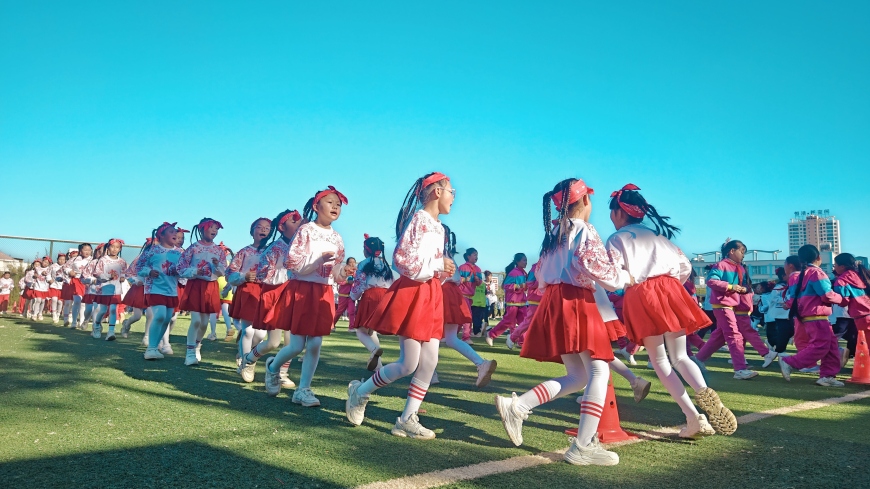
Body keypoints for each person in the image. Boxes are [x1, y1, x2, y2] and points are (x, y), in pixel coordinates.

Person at [495, 178, 631, 466]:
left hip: (555, 300)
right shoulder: (583, 229)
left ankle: (519, 406)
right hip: (577, 300)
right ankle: (582, 446)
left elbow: (541, 275)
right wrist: (622, 277)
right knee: (598, 371)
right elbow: (596, 267)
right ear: (585, 200)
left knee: (578, 376)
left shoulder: (555, 233)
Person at [605, 183, 735, 438]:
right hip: (671, 289)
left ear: (619, 213)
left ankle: (693, 416)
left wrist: (626, 283)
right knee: (681, 356)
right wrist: (670, 284)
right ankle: (703, 390)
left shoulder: (617, 239)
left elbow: (613, 275)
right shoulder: (660, 237)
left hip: (641, 293)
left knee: (660, 360)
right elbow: (685, 266)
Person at [346, 172, 455, 439]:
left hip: (430, 293)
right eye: (451, 192)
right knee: (408, 364)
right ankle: (360, 392)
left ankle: (407, 419)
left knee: (430, 361)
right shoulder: (419, 219)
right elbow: (402, 259)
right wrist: (438, 264)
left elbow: (429, 264)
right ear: (437, 192)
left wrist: (443, 270)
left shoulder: (439, 227)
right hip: (414, 292)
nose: (453, 197)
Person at [262, 187, 346, 407]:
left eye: (338, 204)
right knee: (297, 345)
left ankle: (303, 389)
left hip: (323, 292)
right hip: (302, 289)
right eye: (330, 202)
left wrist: (343, 272)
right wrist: (318, 261)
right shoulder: (305, 230)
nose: (335, 207)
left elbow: (336, 272)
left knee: (316, 343)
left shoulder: (337, 238)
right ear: (316, 207)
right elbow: (293, 263)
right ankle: (273, 367)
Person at [692, 240, 778, 379]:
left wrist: (743, 289)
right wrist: (731, 287)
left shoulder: (739, 268)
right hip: (722, 305)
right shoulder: (721, 265)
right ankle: (740, 369)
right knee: (734, 335)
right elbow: (711, 281)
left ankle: (698, 359)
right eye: (742, 251)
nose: (743, 255)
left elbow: (742, 286)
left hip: (731, 305)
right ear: (732, 251)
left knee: (720, 336)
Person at [238, 210, 303, 385]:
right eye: (294, 221)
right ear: (282, 227)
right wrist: (288, 273)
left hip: (293, 295)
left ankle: (281, 373)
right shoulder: (274, 248)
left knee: (292, 343)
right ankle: (249, 359)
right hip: (276, 295)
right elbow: (264, 275)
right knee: (273, 342)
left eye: (299, 221)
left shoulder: (300, 245)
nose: (299, 223)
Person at [441, 224, 498, 387]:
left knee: (428, 338)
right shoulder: (452, 259)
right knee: (449, 337)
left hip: (444, 293)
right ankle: (480, 362)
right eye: (474, 255)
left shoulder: (440, 253)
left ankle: (427, 374)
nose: (476, 257)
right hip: (453, 293)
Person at [779, 245, 844, 386]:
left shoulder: (799, 275)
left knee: (831, 346)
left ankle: (827, 375)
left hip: (807, 315)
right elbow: (827, 295)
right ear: (818, 257)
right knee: (821, 345)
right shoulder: (817, 273)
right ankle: (790, 362)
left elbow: (793, 296)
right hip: (817, 315)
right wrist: (842, 299)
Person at [177, 218, 231, 365]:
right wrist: (194, 271)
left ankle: (197, 346)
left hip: (210, 287)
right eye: (211, 227)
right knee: (195, 320)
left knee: (204, 323)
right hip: (195, 285)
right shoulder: (193, 248)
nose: (214, 231)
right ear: (202, 229)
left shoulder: (218, 251)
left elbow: (223, 272)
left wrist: (217, 265)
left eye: (216, 228)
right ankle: (189, 353)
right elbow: (180, 268)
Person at [135, 222, 182, 360]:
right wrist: (149, 272)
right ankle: (150, 349)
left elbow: (183, 269)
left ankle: (154, 348)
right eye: (171, 231)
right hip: (154, 288)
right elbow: (139, 267)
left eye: (175, 231)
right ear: (161, 235)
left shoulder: (180, 253)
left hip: (171, 290)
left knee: (167, 319)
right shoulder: (152, 251)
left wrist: (185, 272)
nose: (175, 234)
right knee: (160, 315)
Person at [349, 235, 395, 370]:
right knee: (371, 331)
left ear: (366, 250)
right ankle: (378, 367)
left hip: (371, 295)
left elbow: (359, 284)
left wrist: (353, 296)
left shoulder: (364, 264)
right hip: (385, 296)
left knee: (361, 331)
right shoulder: (385, 265)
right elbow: (391, 282)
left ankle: (374, 349)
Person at [832, 253, 870, 363]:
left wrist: (829, 297)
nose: (834, 267)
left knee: (866, 345)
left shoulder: (841, 280)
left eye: (835, 265)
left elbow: (843, 302)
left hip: (862, 317)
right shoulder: (863, 274)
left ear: (842, 266)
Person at [486, 253, 528, 346]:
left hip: (521, 302)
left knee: (524, 322)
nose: (526, 262)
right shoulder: (514, 272)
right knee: (508, 321)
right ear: (518, 261)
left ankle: (522, 342)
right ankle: (491, 334)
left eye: (526, 260)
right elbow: (506, 285)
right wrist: (518, 286)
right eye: (524, 260)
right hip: (513, 302)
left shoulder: (524, 273)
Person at [91, 239, 128, 341]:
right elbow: (97, 273)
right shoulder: (103, 260)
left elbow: (125, 272)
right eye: (112, 247)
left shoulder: (122, 262)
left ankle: (111, 331)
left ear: (120, 249)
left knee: (113, 309)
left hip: (116, 289)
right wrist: (108, 276)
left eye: (117, 247)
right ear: (108, 248)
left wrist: (123, 277)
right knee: (103, 310)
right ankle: (96, 326)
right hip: (104, 288)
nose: (114, 249)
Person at [458, 248, 483, 342]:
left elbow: (479, 283)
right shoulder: (462, 267)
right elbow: (456, 280)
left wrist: (478, 281)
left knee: (461, 318)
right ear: (468, 256)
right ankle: (466, 337)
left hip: (470, 296)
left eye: (477, 255)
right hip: (462, 295)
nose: (477, 257)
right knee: (467, 316)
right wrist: (464, 279)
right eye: (474, 255)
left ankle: (449, 335)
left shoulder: (478, 269)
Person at [333, 257, 357, 331]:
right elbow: (338, 280)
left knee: (352, 311)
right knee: (339, 311)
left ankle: (351, 327)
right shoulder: (343, 270)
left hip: (351, 295)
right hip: (343, 295)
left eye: (353, 262)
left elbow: (359, 281)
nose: (352, 264)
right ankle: (332, 325)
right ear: (347, 263)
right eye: (350, 262)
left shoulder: (356, 272)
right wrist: (346, 282)